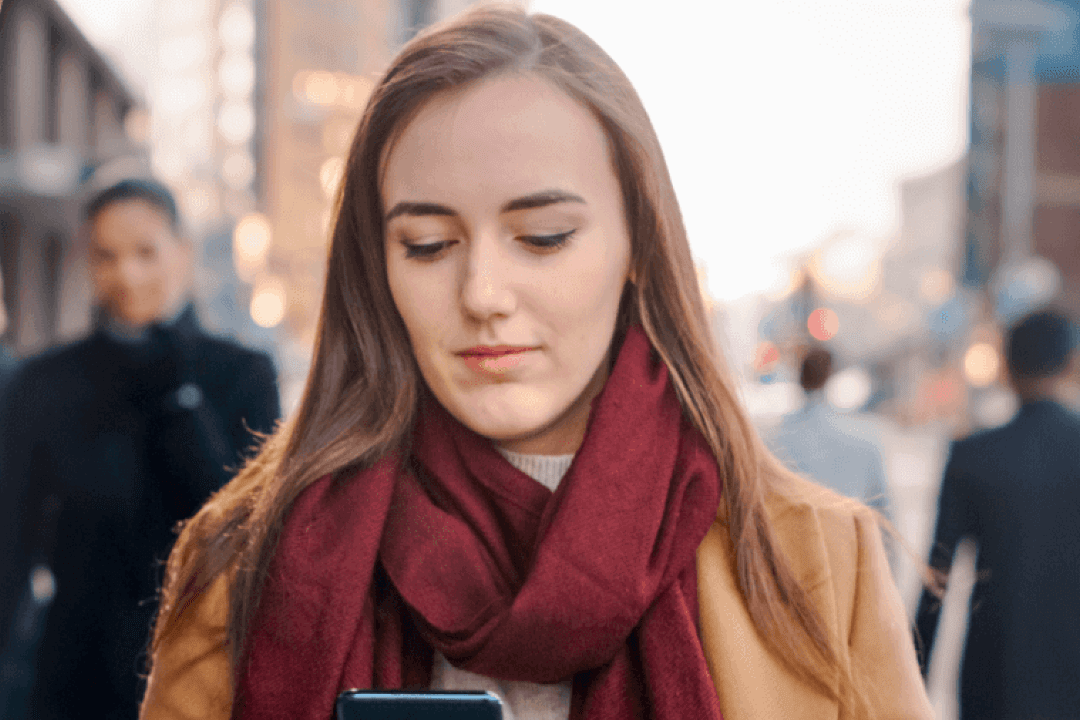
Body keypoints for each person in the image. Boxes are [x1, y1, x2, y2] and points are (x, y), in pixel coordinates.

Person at [140, 8, 931, 720]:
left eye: (544, 237)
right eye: (428, 245)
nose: (483, 292)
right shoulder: (244, 559)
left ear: (637, 249)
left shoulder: (818, 561)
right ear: (376, 269)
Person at [0, 178, 281, 720]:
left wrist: (180, 397)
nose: (126, 274)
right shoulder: (46, 383)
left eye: (146, 253)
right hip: (71, 684)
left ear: (184, 252)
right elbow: (11, 549)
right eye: (107, 256)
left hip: (203, 678)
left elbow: (248, 534)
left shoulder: (241, 377)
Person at [914, 310, 1080, 720]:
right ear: (1071, 363)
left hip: (994, 675)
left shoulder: (973, 455)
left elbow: (938, 576)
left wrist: (913, 681)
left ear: (1007, 367)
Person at [767, 346, 891, 513]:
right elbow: (882, 510)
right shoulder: (866, 438)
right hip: (849, 535)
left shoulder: (774, 442)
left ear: (800, 379)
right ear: (834, 376)